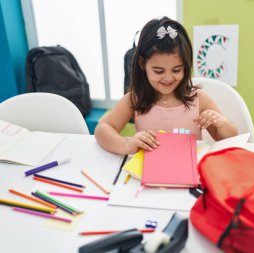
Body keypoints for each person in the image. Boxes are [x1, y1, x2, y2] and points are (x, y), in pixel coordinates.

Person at [95, 16, 237, 155]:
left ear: (186, 67)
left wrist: (221, 122)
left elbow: (229, 137)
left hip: (189, 174)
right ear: (142, 63)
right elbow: (102, 128)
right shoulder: (135, 99)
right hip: (148, 173)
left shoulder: (198, 99)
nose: (168, 78)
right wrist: (126, 144)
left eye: (176, 70)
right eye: (158, 71)